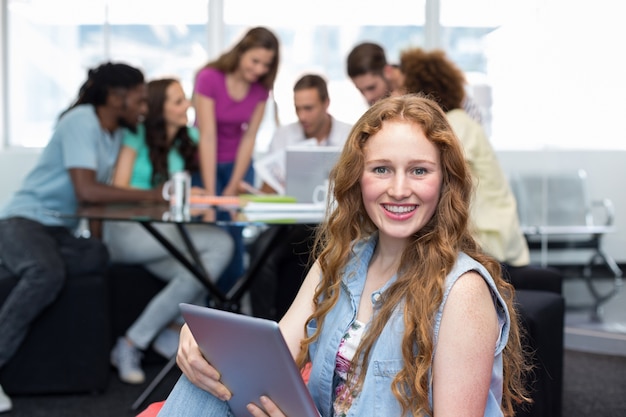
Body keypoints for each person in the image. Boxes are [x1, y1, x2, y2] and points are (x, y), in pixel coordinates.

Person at [156, 95, 531, 417]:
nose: (399, 190)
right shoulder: (339, 262)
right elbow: (270, 356)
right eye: (381, 169)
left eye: (419, 171)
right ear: (358, 178)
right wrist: (203, 344)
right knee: (203, 382)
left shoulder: (463, 292)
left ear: (444, 181)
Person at [0, 62, 163, 412]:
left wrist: (99, 246)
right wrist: (151, 195)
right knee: (46, 272)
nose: (143, 108)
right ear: (116, 97)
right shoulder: (81, 121)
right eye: (138, 99)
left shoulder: (114, 134)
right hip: (23, 221)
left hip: (61, 229)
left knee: (99, 258)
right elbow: (87, 190)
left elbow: (92, 207)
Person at [103, 78, 235, 385]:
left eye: (185, 99)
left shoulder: (186, 138)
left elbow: (183, 190)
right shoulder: (135, 135)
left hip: (161, 237)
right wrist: (166, 196)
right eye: (177, 101)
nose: (187, 106)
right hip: (127, 232)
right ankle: (170, 332)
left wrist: (197, 196)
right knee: (218, 246)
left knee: (199, 270)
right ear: (158, 109)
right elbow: (119, 189)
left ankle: (133, 343)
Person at [399, 47, 530, 269]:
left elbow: (437, 177)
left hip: (491, 242)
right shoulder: (459, 122)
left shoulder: (456, 124)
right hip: (491, 237)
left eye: (402, 89)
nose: (399, 96)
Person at [247, 73, 353, 320]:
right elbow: (267, 188)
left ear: (326, 104)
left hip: (333, 223)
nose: (302, 116)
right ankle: (264, 326)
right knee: (260, 252)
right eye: (297, 109)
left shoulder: (349, 135)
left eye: (309, 108)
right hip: (289, 224)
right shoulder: (285, 135)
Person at [192, 26, 280, 291]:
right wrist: (210, 192)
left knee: (235, 235)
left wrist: (232, 186)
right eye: (255, 61)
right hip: (205, 163)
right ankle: (207, 303)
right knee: (210, 233)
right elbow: (206, 135)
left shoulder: (260, 90)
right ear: (241, 51)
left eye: (266, 65)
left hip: (239, 168)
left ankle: (229, 304)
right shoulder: (208, 77)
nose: (259, 69)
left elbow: (249, 138)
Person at [346, 42, 484, 124]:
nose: (368, 97)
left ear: (387, 71)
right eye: (361, 90)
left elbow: (466, 121)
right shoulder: (383, 100)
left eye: (371, 87)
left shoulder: (430, 77)